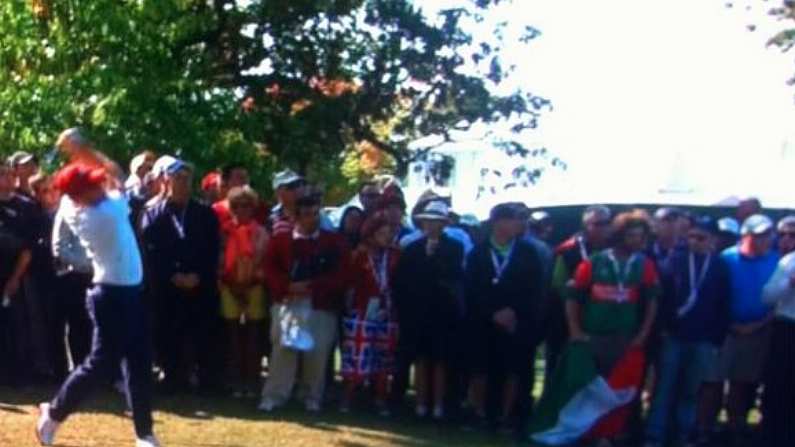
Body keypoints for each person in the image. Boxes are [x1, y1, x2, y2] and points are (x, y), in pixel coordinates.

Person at [36, 162, 160, 447]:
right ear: (81, 195)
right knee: (100, 365)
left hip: (131, 293)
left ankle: (144, 434)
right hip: (112, 297)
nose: (97, 187)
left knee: (139, 363)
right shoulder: (105, 213)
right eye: (90, 186)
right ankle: (52, 413)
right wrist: (81, 148)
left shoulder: (71, 204)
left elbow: (103, 178)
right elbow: (114, 171)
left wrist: (78, 157)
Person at [562, 209, 660, 445]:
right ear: (619, 235)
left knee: (618, 390)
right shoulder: (594, 262)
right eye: (632, 235)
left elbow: (652, 302)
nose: (637, 241)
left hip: (625, 337)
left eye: (641, 236)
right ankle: (584, 433)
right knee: (589, 387)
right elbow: (573, 297)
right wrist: (575, 330)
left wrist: (643, 334)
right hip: (593, 335)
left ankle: (609, 434)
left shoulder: (645, 265)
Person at [259, 189, 351, 413]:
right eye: (307, 214)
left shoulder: (333, 242)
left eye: (315, 213)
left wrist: (313, 287)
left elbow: (342, 273)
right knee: (283, 351)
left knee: (317, 353)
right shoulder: (281, 240)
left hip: (320, 305)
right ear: (296, 217)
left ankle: (311, 396)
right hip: (288, 304)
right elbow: (269, 269)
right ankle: (275, 395)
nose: (312, 218)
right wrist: (287, 286)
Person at [643, 217, 730, 447]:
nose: (694, 242)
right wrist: (661, 329)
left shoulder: (719, 266)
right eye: (691, 236)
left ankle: (683, 435)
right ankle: (654, 436)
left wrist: (716, 340)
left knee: (691, 391)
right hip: (674, 336)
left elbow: (723, 304)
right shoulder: (675, 260)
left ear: (712, 240)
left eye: (700, 237)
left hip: (703, 340)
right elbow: (662, 299)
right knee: (664, 388)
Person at [140, 160, 222, 394]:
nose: (182, 184)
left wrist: (198, 275)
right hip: (167, 286)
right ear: (165, 181)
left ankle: (206, 380)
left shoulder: (205, 214)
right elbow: (149, 250)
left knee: (202, 332)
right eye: (177, 179)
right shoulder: (152, 214)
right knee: (168, 332)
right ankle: (173, 378)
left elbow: (212, 248)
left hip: (199, 284)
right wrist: (172, 275)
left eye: (186, 179)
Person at [466, 203, 544, 436]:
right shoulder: (478, 252)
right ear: (499, 222)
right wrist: (492, 312)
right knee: (480, 368)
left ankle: (505, 416)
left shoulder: (528, 253)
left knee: (512, 369)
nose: (520, 224)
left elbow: (534, 288)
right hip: (483, 321)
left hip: (515, 322)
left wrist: (514, 311)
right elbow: (472, 288)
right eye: (515, 219)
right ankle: (479, 413)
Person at [392, 200, 464, 419]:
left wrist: (435, 256)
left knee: (440, 360)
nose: (432, 226)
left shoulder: (454, 247)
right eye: (428, 221)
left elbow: (453, 275)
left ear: (444, 224)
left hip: (443, 312)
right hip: (417, 312)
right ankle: (421, 402)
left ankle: (439, 405)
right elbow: (403, 280)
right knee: (421, 359)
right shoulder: (412, 247)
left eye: (437, 222)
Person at [716, 214, 778, 445]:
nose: (764, 240)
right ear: (746, 235)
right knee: (714, 381)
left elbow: (778, 302)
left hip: (758, 331)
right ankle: (708, 426)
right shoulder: (726, 258)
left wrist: (757, 325)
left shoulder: (776, 260)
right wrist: (729, 323)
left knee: (742, 383)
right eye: (759, 235)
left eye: (767, 235)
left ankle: (735, 426)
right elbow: (715, 295)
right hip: (726, 330)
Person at [340, 212, 400, 415]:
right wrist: (350, 309)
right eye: (382, 233)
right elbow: (349, 284)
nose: (387, 237)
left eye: (389, 233)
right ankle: (347, 398)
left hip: (387, 313)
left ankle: (380, 399)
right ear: (371, 234)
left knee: (383, 358)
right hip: (361, 312)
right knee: (357, 357)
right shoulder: (359, 255)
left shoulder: (395, 256)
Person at [545, 205, 612, 382]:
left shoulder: (616, 251)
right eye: (598, 224)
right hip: (566, 323)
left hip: (602, 323)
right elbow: (558, 285)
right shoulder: (568, 250)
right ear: (586, 225)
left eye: (607, 223)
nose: (604, 228)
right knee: (560, 371)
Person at [220, 186, 269, 398]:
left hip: (254, 287)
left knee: (253, 335)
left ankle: (252, 379)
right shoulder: (224, 231)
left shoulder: (261, 232)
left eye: (247, 206)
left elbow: (264, 260)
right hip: (229, 286)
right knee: (231, 336)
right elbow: (220, 260)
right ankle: (234, 379)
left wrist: (248, 283)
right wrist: (232, 283)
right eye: (238, 206)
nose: (242, 210)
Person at [760, 215, 795, 447]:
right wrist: (788, 284)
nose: (787, 240)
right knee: (778, 386)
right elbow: (767, 297)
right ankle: (773, 436)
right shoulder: (788, 262)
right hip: (787, 330)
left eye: (793, 236)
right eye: (783, 235)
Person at [266, 169, 306, 237]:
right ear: (278, 192)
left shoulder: (313, 212)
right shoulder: (271, 218)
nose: (297, 189)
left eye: (299, 184)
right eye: (291, 186)